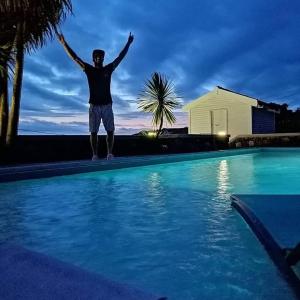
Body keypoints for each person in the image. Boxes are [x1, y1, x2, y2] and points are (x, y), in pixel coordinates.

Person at [57, 31, 134, 160]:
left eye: (101, 57)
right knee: (93, 132)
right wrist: (64, 44)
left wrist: (128, 43)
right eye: (97, 57)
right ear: (93, 58)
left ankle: (110, 153)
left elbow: (120, 57)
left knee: (110, 131)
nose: (99, 58)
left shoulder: (108, 69)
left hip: (107, 105)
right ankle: (95, 155)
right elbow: (75, 58)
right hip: (94, 106)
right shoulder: (89, 69)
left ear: (103, 58)